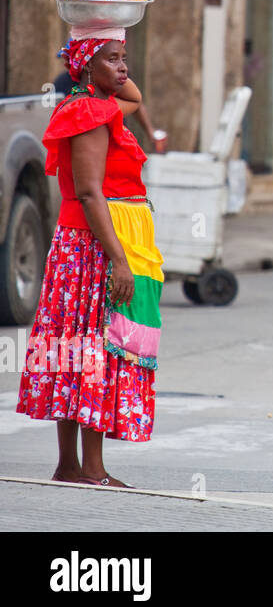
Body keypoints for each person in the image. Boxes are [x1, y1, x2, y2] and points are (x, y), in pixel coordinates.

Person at [17, 30, 166, 487]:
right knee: (92, 350)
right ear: (84, 68)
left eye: (125, 59)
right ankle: (89, 468)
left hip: (85, 245)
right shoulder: (86, 114)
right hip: (90, 248)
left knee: (78, 350)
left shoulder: (99, 108)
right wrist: (118, 260)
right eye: (113, 61)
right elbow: (88, 191)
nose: (124, 69)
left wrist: (105, 46)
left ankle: (71, 466)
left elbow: (134, 97)